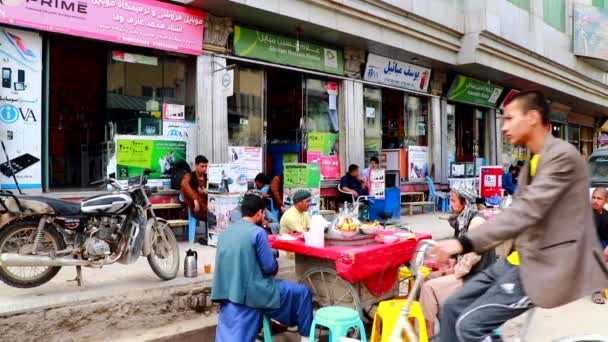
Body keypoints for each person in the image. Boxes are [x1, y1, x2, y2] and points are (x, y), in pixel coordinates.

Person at [430, 90, 608, 342]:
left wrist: (462, 242)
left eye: (510, 118)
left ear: (532, 117)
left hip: (544, 268)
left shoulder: (562, 158)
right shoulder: (532, 163)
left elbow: (525, 212)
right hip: (515, 261)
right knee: (451, 309)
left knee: (467, 327)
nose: (503, 127)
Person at [211, 194, 313, 342]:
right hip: (253, 291)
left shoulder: (224, 233)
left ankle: (277, 323)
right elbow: (269, 267)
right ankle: (306, 337)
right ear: (260, 213)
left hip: (227, 291)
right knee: (303, 292)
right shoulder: (258, 232)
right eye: (263, 213)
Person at [419, 186, 494, 336]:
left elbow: (471, 257)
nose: (450, 204)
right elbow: (458, 250)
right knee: (425, 276)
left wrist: (452, 270)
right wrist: (449, 262)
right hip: (467, 270)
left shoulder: (476, 222)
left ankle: (430, 334)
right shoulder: (464, 219)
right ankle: (440, 319)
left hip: (476, 276)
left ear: (465, 203)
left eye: (453, 201)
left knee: (428, 288)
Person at [591, 187, 608, 304]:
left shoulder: (606, 215)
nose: (595, 201)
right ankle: (596, 290)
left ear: (606, 201)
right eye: (593, 198)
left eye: (599, 198)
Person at [181, 155, 209, 222]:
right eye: (202, 166)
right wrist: (195, 200)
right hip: (196, 207)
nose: (204, 168)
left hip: (208, 206)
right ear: (196, 165)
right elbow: (184, 185)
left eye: (206, 166)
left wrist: (208, 192)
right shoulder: (189, 176)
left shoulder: (208, 177)